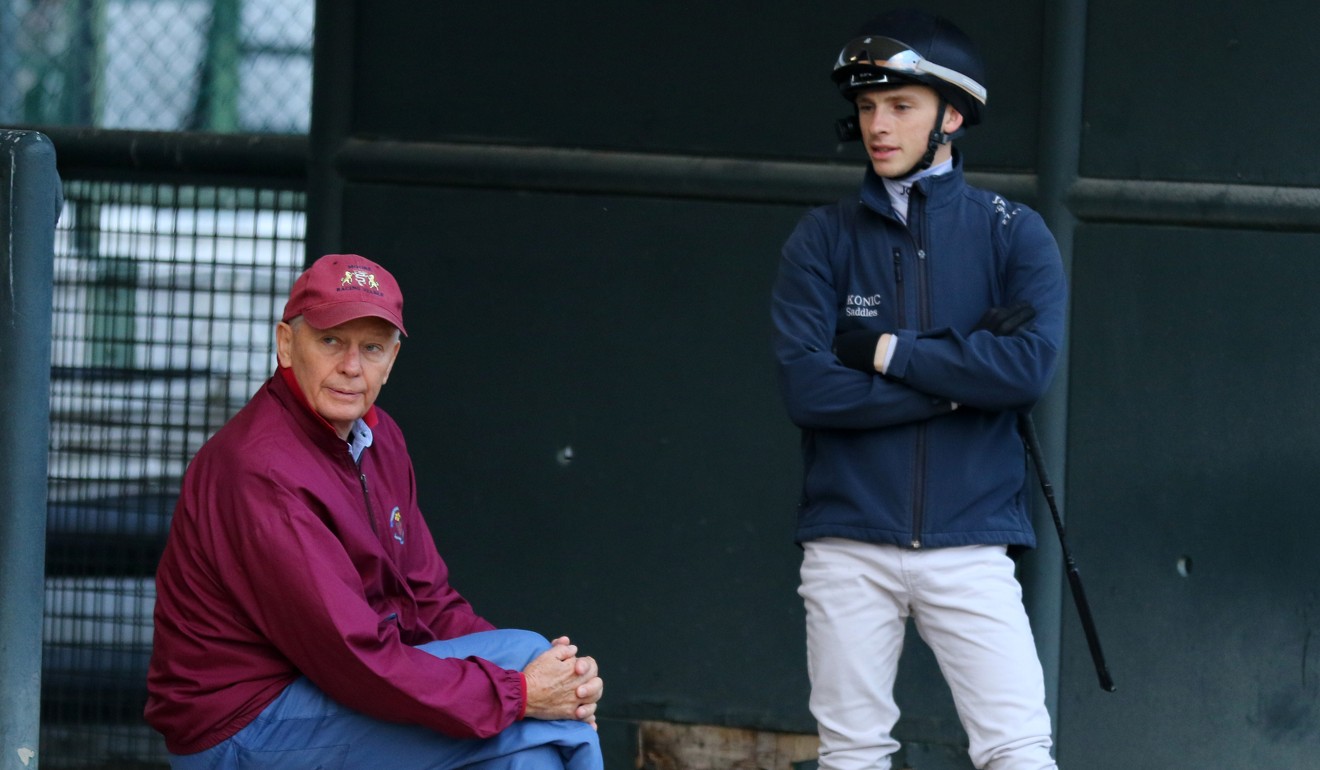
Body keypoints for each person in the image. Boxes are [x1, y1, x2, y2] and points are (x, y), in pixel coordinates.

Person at [146, 254, 604, 770]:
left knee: (533, 702)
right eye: (331, 341)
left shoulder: (379, 438)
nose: (350, 366)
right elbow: (350, 659)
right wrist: (520, 693)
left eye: (371, 348)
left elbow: (426, 601)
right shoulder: (262, 469)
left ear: (392, 361)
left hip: (327, 689)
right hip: (243, 723)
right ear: (286, 345)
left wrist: (551, 682)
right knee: (541, 713)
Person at [770, 9, 1068, 770]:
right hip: (846, 541)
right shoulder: (821, 238)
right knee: (851, 754)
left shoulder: (1016, 233)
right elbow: (809, 391)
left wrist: (885, 351)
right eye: (868, 107)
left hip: (972, 541)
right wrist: (964, 382)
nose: (878, 124)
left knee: (1018, 751)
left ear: (953, 115)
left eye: (901, 105)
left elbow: (1028, 370)